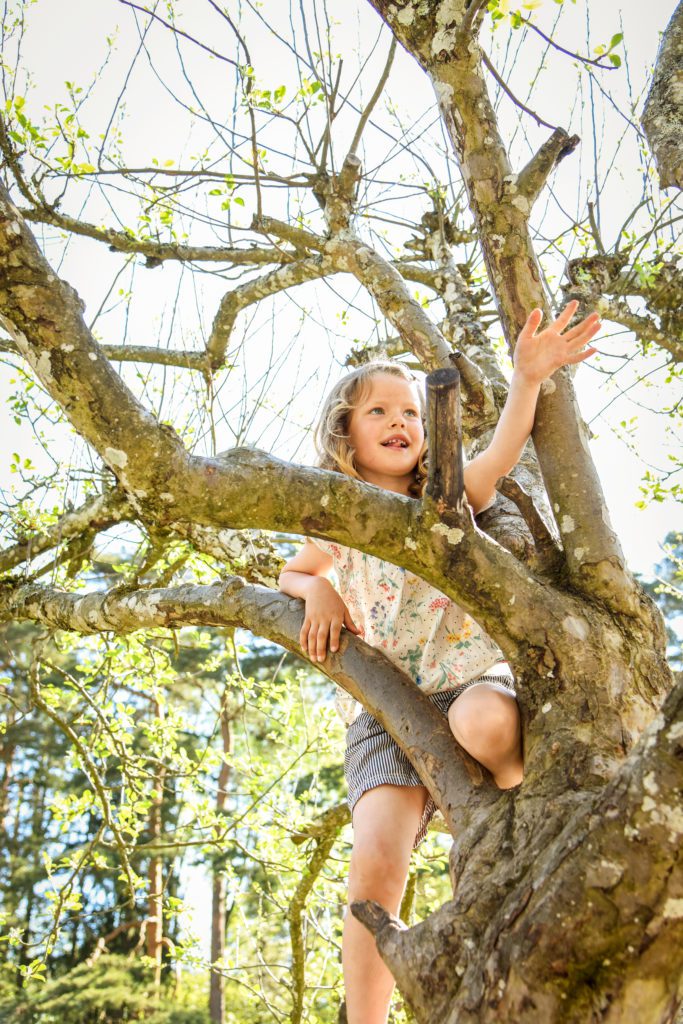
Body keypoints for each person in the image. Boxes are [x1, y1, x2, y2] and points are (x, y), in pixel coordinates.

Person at [278, 300, 600, 1024]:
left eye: (411, 414)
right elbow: (289, 575)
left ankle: (528, 822)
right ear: (344, 434)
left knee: (488, 724)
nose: (400, 423)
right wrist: (319, 587)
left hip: (465, 681)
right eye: (378, 413)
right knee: (376, 864)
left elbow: (498, 455)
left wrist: (526, 380)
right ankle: (364, 1019)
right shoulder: (334, 516)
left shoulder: (442, 499)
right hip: (385, 712)